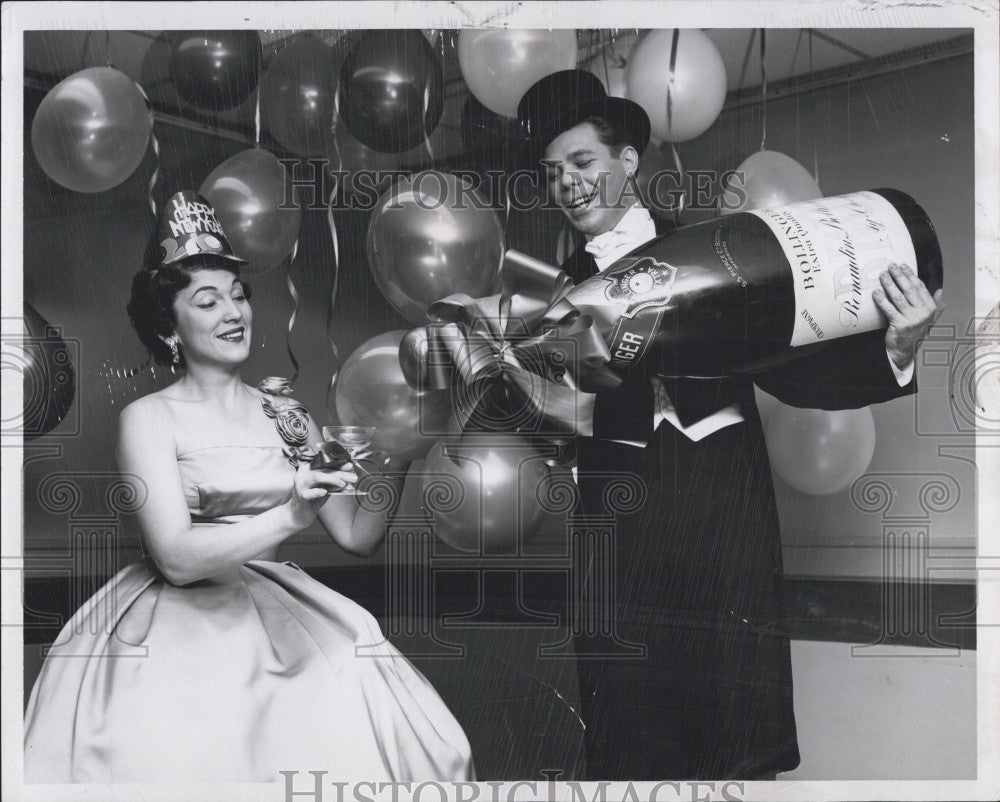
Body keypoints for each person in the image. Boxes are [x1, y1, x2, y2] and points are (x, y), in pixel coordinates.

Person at [517, 71, 943, 780]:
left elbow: (796, 373)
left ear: (627, 161)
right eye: (552, 171)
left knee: (737, 756)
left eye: (582, 162)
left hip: (725, 534)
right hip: (619, 554)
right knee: (633, 758)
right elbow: (548, 434)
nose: (567, 183)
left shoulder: (723, 251)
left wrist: (895, 349)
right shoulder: (544, 293)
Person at [23, 191, 474, 784]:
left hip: (283, 618)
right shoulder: (148, 419)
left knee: (359, 698)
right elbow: (177, 558)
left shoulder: (287, 415)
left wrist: (403, 448)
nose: (233, 312)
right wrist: (290, 513)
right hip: (171, 628)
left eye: (238, 296)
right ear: (169, 328)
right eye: (207, 301)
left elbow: (357, 535)